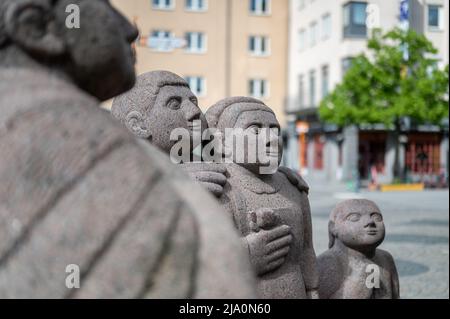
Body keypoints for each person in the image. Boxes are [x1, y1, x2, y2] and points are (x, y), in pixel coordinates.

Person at [0, 0, 255, 298]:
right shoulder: (62, 132)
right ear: (37, 27)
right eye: (103, 5)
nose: (130, 28)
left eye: (194, 102)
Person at [205, 97, 319, 299]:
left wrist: (312, 289)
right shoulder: (219, 189)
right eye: (255, 130)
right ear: (221, 142)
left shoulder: (294, 188)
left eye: (275, 130)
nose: (272, 139)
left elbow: (307, 250)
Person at [317, 199, 400, 299]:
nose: (370, 222)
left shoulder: (385, 258)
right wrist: (355, 287)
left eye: (377, 218)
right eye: (354, 218)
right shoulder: (326, 263)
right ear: (333, 228)